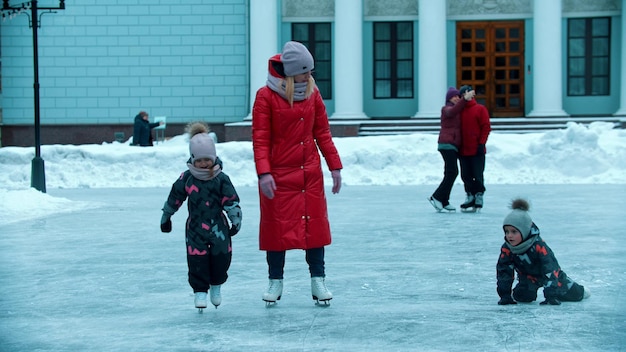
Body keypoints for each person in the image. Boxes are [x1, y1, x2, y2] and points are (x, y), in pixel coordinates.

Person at [252, 41, 343, 305]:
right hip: (278, 175)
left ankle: (318, 280)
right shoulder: (265, 96)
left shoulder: (313, 94)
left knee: (313, 228)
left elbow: (322, 133)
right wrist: (264, 173)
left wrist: (334, 165)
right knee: (276, 231)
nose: (309, 76)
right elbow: (260, 139)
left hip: (309, 174)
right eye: (305, 72)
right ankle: (275, 281)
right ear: (291, 72)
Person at [159, 122, 242, 310]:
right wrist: (167, 216)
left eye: (207, 159)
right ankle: (200, 292)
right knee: (197, 260)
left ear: (213, 157)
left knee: (222, 258)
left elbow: (231, 200)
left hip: (218, 227)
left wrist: (235, 219)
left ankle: (216, 286)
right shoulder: (187, 178)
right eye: (199, 160)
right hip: (195, 228)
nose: (203, 164)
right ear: (192, 159)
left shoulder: (221, 178)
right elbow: (174, 197)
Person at [496, 198, 590, 305]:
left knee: (574, 294)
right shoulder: (507, 248)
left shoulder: (538, 246)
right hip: (528, 278)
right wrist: (505, 295)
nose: (509, 235)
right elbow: (504, 271)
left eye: (514, 232)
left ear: (525, 231)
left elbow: (550, 269)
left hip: (553, 277)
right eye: (507, 231)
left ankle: (582, 291)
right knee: (521, 296)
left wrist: (550, 295)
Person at [428, 86, 473, 212]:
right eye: (454, 97)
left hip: (453, 145)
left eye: (458, 96)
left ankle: (444, 200)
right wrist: (464, 99)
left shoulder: (457, 110)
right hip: (446, 144)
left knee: (451, 172)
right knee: (452, 172)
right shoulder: (446, 109)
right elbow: (452, 112)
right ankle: (437, 197)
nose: (457, 98)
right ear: (448, 98)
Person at [457, 85, 491, 211]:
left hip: (477, 148)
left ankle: (479, 195)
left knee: (477, 174)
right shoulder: (459, 111)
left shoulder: (480, 109)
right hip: (463, 149)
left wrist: (481, 143)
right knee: (465, 175)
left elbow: (486, 127)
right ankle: (469, 195)